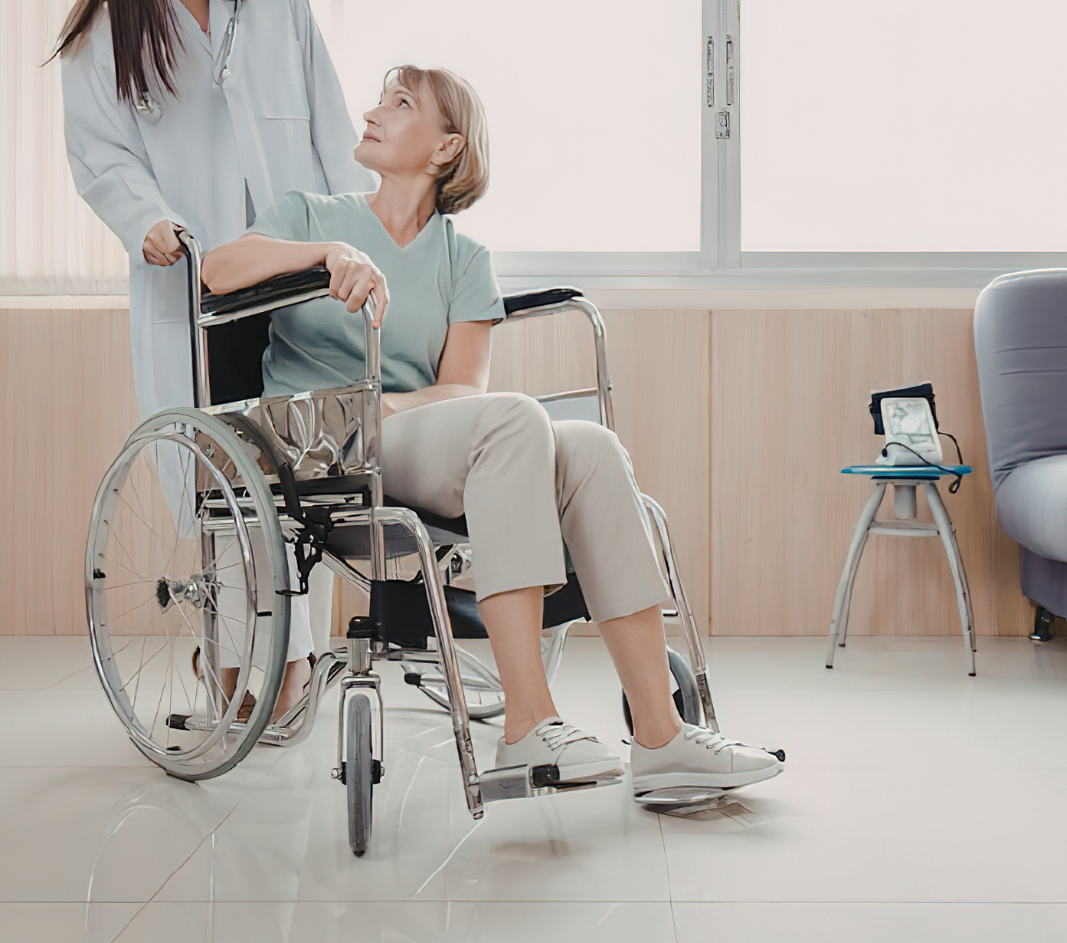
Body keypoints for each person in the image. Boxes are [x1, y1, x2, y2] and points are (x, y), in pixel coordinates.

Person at [201, 66, 783, 794]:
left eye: (401, 103)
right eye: (382, 98)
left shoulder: (463, 260)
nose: (375, 111)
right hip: (320, 446)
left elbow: (460, 389)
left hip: (413, 438)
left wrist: (392, 408)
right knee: (514, 420)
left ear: (446, 148)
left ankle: (661, 737)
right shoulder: (311, 215)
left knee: (592, 447)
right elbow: (220, 270)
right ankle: (528, 724)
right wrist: (327, 257)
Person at [55, 0, 368, 717]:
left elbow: (334, 135)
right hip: (197, 284)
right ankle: (244, 666)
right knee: (226, 480)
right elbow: (102, 157)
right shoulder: (104, 33)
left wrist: (367, 238)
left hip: (297, 276)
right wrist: (145, 219)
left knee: (296, 475)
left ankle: (282, 667)